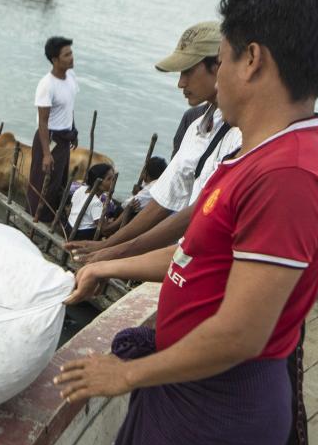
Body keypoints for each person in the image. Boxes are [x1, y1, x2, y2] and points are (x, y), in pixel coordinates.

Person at [55, 0, 318, 445]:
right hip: (182, 379)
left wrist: (126, 375)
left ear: (252, 60)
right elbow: (192, 258)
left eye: (220, 60)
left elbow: (243, 332)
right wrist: (106, 265)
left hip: (218, 400)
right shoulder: (250, 156)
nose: (212, 75)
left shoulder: (289, 178)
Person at [66, 21, 242, 264]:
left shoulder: (244, 135)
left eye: (188, 71)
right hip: (182, 258)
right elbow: (164, 201)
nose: (181, 83)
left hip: (204, 261)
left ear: (219, 65)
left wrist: (114, 254)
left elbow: (200, 211)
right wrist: (108, 245)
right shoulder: (197, 127)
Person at [28, 36, 79, 223]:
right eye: (67, 55)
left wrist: (74, 130)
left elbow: (69, 107)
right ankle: (35, 218)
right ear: (55, 60)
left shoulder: (71, 78)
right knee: (43, 182)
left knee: (59, 181)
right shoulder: (47, 85)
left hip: (64, 137)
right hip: (49, 138)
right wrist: (46, 153)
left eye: (71, 53)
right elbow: (43, 122)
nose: (72, 57)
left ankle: (51, 217)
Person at [67, 163, 118, 239]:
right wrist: (121, 218)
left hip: (68, 228)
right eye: (109, 179)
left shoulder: (81, 189)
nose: (112, 182)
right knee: (112, 227)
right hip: (80, 235)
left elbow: (70, 210)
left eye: (113, 179)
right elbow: (104, 230)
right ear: (98, 183)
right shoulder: (96, 203)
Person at [116, 156, 168, 229]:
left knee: (122, 208)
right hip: (153, 218)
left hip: (141, 220)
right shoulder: (161, 182)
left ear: (146, 173)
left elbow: (126, 204)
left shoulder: (150, 189)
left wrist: (136, 194)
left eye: (144, 172)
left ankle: (110, 229)